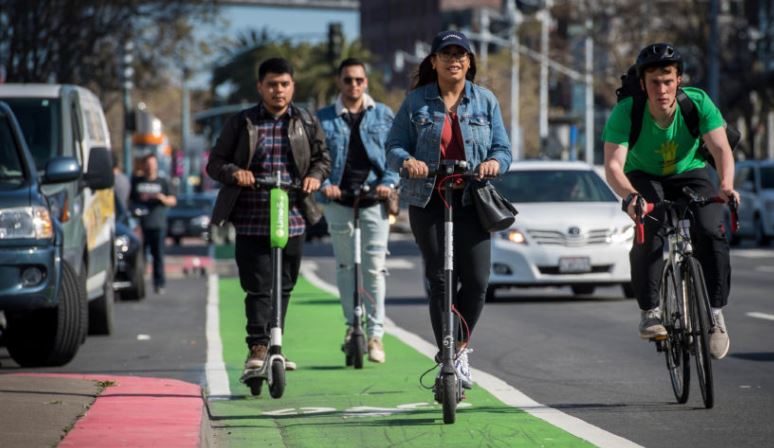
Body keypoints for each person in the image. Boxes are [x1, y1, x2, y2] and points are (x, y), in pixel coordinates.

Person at [385, 30, 512, 389]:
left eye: (461, 54)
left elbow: (503, 149)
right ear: (434, 61)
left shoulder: (485, 101)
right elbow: (393, 145)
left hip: (473, 198)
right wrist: (408, 161)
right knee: (441, 277)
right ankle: (447, 348)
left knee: (476, 280)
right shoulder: (416, 102)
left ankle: (457, 349)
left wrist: (493, 165)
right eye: (446, 53)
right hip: (429, 197)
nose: (454, 59)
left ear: (469, 62)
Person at [602, 43, 739, 359]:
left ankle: (716, 316)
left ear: (679, 80)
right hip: (642, 176)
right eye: (654, 82)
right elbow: (612, 165)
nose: (661, 89)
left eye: (668, 81)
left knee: (711, 231)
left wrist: (727, 185)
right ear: (643, 84)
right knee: (649, 230)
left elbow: (721, 150)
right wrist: (631, 197)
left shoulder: (697, 102)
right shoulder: (627, 112)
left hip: (690, 172)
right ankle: (650, 311)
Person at [206, 57, 331, 372]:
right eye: (272, 85)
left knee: (285, 284)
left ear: (293, 87)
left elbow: (322, 158)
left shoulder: (305, 121)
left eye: (284, 84)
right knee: (258, 286)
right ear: (260, 87)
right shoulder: (242, 122)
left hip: (294, 215)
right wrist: (236, 173)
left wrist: (315, 176)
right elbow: (215, 163)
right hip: (251, 216)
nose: (278, 90)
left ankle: (276, 343)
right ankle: (258, 347)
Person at [317, 58, 397, 364]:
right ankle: (352, 327)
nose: (354, 85)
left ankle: (375, 334)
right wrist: (325, 184)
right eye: (348, 80)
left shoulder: (383, 115)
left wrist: (388, 183)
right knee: (345, 266)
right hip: (339, 199)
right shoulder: (324, 118)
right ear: (340, 82)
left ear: (366, 82)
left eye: (359, 80)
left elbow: (394, 155)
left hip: (374, 199)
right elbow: (316, 157)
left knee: (374, 268)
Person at [130, 153, 177, 295]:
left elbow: (173, 200)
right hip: (141, 225)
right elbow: (130, 201)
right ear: (144, 165)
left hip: (158, 224)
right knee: (140, 256)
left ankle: (159, 283)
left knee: (158, 256)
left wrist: (162, 198)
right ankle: (139, 281)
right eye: (148, 164)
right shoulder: (137, 181)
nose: (150, 167)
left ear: (156, 165)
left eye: (152, 164)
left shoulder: (162, 182)